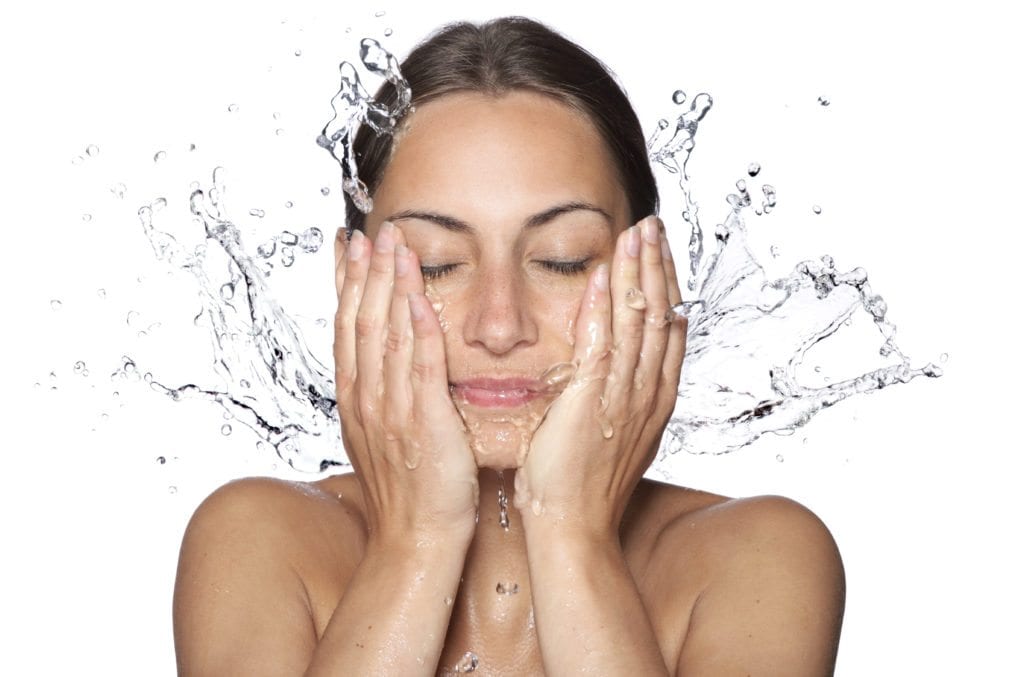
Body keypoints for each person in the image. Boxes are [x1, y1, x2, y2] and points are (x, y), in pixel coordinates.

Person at [173, 17, 845, 676]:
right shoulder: (258, 540)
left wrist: (570, 531)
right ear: (352, 282)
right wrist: (417, 542)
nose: (498, 326)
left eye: (560, 259)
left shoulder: (756, 556)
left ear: (649, 277)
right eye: (434, 263)